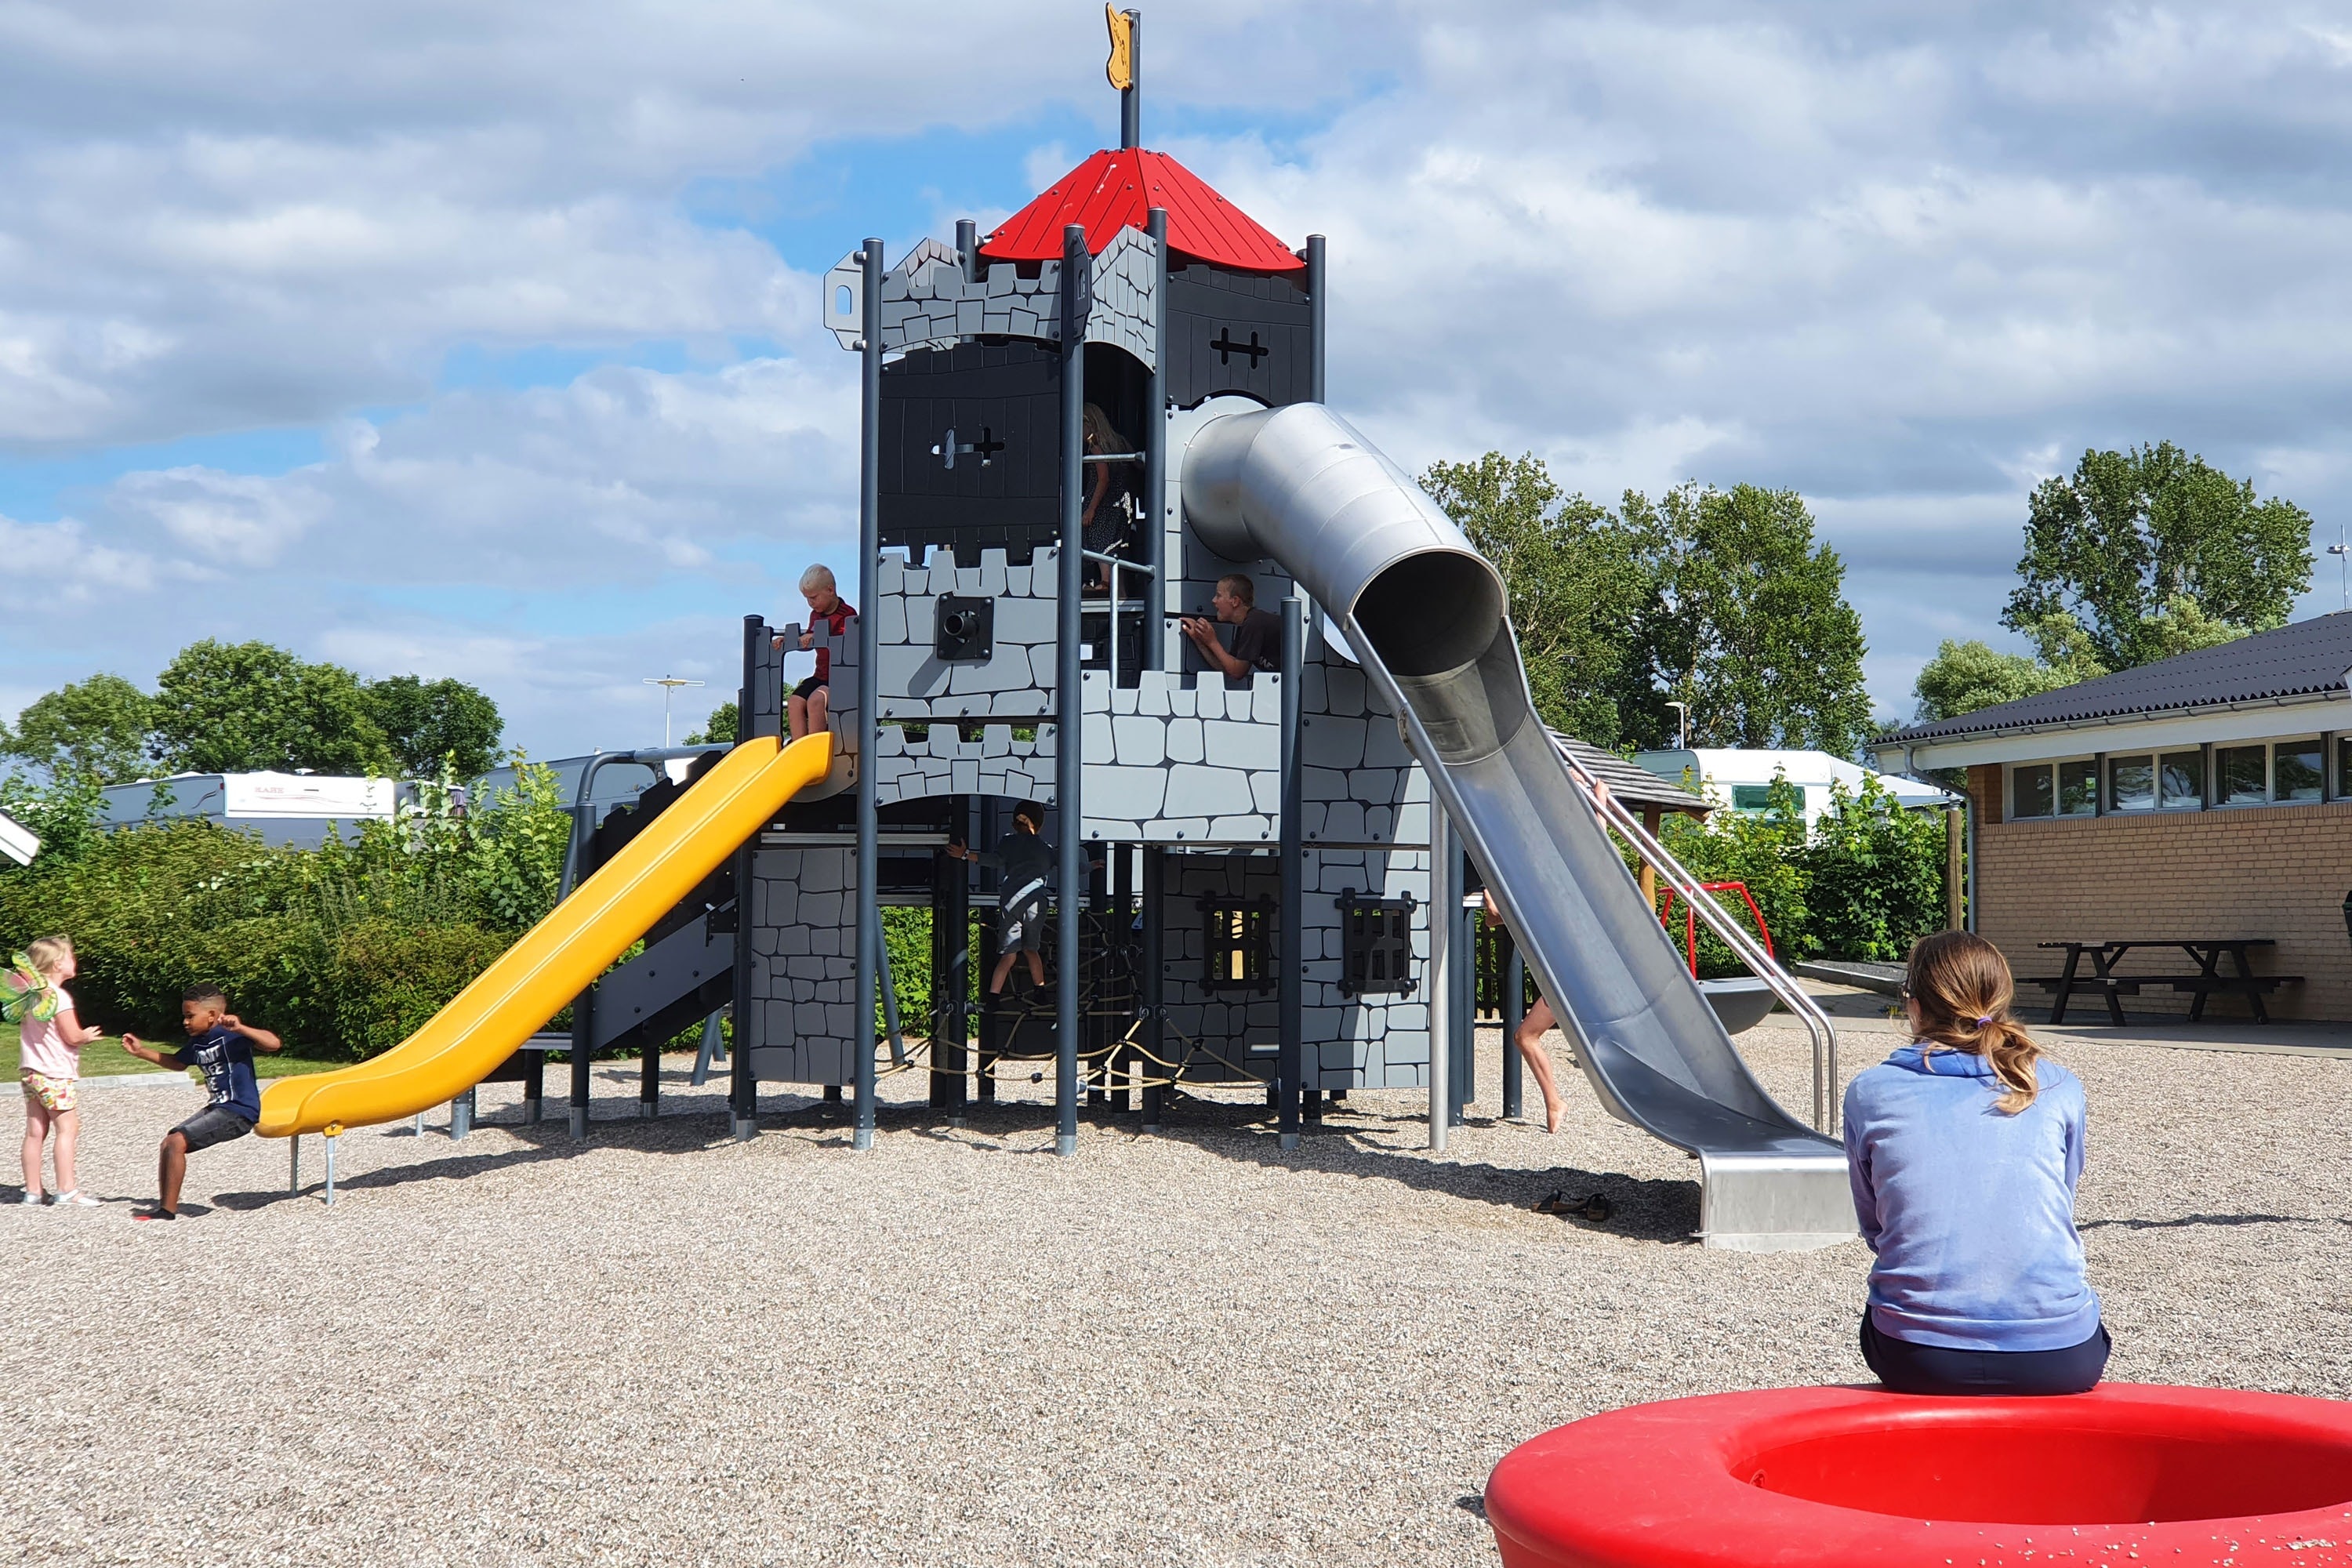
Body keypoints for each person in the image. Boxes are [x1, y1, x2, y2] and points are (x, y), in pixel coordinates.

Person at [1842, 930, 2108, 1396]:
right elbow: (2062, 1196)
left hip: (1919, 1355)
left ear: (1915, 1006)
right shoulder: (2057, 1085)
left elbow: (1876, 1225)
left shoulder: (1873, 1091)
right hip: (2060, 1354)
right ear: (2002, 1001)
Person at [119, 985, 283, 1221]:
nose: (185, 1022)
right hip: (219, 1107)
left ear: (212, 1016)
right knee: (169, 1142)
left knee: (177, 1141)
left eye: (190, 1016)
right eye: (184, 1016)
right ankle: (165, 1207)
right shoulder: (198, 1042)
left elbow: (273, 1044)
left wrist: (241, 1028)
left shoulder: (232, 1036)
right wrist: (141, 1051)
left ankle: (167, 1212)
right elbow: (178, 1063)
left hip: (239, 1111)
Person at [13, 937, 107, 1207]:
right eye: (71, 957)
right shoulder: (58, 997)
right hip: (54, 1074)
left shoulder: (29, 996)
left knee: (34, 1131)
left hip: (31, 1071)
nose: (74, 962)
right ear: (58, 964)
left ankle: (32, 1191)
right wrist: (86, 1036)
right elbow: (71, 1035)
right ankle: (66, 1189)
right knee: (68, 1128)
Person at [945, 802, 1057, 1000]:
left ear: (1014, 824)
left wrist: (965, 855)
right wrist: (1091, 866)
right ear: (1039, 825)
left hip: (1011, 901)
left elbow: (994, 860)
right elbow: (1070, 863)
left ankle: (993, 997)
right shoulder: (1046, 849)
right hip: (1036, 903)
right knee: (1032, 950)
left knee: (1008, 955)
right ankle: (1040, 991)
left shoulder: (1008, 842)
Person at [1479, 892, 1566, 1134]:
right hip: (1565, 981)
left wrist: (1494, 900)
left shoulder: (1542, 908)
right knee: (1525, 1037)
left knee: (1526, 1036)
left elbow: (1495, 917)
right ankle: (1554, 1103)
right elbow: (1492, 921)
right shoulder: (1545, 907)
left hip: (1567, 983)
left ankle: (1555, 1103)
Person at [775, 564, 855, 742]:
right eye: (807, 599)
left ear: (830, 590)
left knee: (816, 701)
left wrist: (814, 636)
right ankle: (799, 744)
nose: (811, 603)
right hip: (821, 675)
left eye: (814, 597)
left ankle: (815, 745)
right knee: (794, 702)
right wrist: (788, 640)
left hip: (840, 676)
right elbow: (809, 642)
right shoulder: (815, 615)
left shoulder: (847, 614)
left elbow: (842, 641)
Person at [1180, 574, 1282, 689]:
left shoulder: (1254, 623)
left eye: (1219, 596)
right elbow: (1226, 667)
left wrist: (1212, 641)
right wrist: (1199, 641)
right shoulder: (1247, 625)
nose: (1213, 601)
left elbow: (1237, 672)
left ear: (1234, 601)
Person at [1080, 403, 1138, 594]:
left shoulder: (1096, 445)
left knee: (1100, 541)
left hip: (1104, 502)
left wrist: (1091, 509)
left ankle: (1105, 583)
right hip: (1122, 500)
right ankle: (1119, 591)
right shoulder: (1119, 442)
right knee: (1116, 547)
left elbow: (1103, 478)